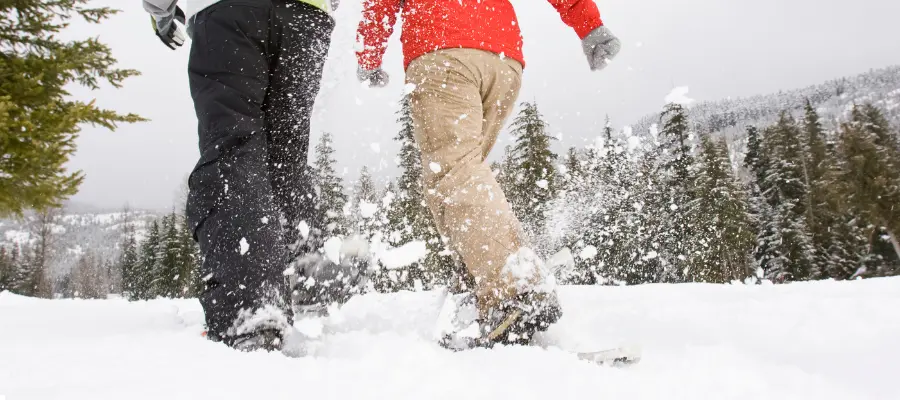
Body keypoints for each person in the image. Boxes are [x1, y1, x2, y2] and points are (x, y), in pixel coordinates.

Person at [356, 0, 621, 347]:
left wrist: (369, 54)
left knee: (455, 173)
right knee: (457, 178)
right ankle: (478, 288)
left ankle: (513, 288)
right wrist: (589, 25)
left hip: (443, 51)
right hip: (502, 60)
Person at [142, 0, 366, 352]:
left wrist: (162, 13)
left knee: (234, 151)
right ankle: (302, 276)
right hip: (308, 19)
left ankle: (253, 307)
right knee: (286, 157)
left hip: (231, 13)